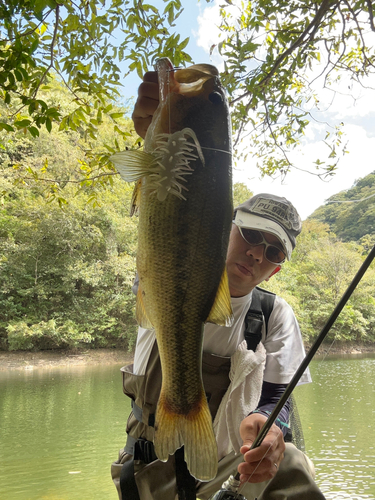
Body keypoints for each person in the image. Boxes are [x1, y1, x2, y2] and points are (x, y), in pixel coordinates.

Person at [111, 72, 326, 500]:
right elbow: (167, 211)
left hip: (232, 469)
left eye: (274, 252)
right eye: (250, 235)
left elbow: (275, 400)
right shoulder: (163, 276)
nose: (256, 254)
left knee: (293, 467)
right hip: (150, 469)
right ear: (225, 228)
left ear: (277, 270)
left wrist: (270, 428)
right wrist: (156, 132)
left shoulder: (275, 317)